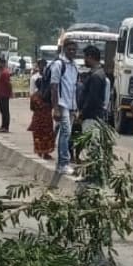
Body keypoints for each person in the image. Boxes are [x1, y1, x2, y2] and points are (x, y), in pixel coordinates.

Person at [49, 41, 80, 176]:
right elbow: (54, 86)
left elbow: (75, 86)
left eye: (74, 49)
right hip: (62, 103)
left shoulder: (75, 66)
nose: (72, 52)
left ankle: (61, 164)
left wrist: (76, 107)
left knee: (67, 133)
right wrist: (55, 108)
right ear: (64, 49)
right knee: (66, 132)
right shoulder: (58, 64)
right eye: (69, 49)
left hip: (72, 104)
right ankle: (63, 163)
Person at [77, 45, 108, 143]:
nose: (84, 60)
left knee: (90, 143)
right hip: (93, 115)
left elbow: (92, 98)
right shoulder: (98, 73)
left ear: (90, 57)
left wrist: (82, 113)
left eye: (85, 57)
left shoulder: (96, 76)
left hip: (91, 116)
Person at [28, 59, 55, 160]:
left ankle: (40, 152)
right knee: (47, 135)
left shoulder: (35, 96)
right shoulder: (48, 95)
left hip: (37, 119)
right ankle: (46, 152)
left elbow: (32, 108)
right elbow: (52, 105)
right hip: (47, 119)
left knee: (38, 135)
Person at [0, 59, 12, 132]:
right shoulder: (0, 72)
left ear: (3, 64)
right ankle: (3, 125)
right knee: (2, 110)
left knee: (5, 111)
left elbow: (8, 84)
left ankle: (6, 127)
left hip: (4, 94)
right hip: (0, 94)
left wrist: (10, 93)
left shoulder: (5, 73)